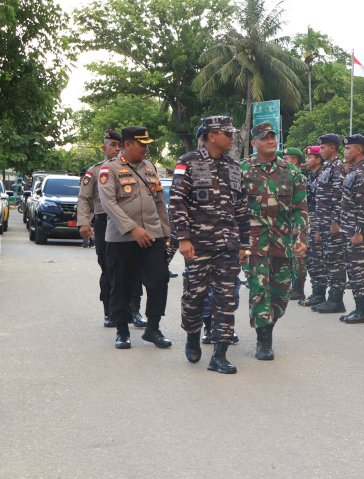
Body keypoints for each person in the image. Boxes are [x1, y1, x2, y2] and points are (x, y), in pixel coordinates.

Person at [170, 115, 249, 374]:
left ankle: (219, 354)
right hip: (198, 245)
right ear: (212, 135)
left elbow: (241, 208)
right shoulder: (187, 163)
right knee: (195, 296)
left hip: (228, 245)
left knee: (226, 299)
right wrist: (183, 238)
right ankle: (192, 334)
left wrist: (245, 244)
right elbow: (178, 202)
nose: (232, 137)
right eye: (227, 133)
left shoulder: (235, 167)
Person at [99, 126, 172, 350]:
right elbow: (108, 203)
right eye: (142, 144)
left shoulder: (149, 167)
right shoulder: (109, 169)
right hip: (122, 239)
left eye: (147, 144)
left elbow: (159, 200)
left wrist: (166, 233)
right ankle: (122, 330)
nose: (146, 149)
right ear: (128, 144)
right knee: (122, 284)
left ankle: (153, 327)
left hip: (152, 235)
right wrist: (132, 229)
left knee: (159, 280)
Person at [242, 123, 308, 360]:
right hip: (253, 244)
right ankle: (264, 340)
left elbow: (300, 209)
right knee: (260, 290)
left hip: (282, 243)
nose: (270, 140)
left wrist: (301, 238)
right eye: (265, 137)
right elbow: (234, 211)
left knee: (281, 294)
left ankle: (269, 323)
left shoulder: (291, 173)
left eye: (273, 136)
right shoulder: (243, 171)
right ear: (254, 143)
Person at [76, 130, 122, 327]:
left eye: (119, 145)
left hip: (128, 222)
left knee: (130, 268)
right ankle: (109, 310)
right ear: (104, 148)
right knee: (108, 267)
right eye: (112, 145)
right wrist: (84, 222)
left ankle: (132, 310)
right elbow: (84, 198)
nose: (116, 149)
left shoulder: (133, 168)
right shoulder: (94, 171)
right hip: (104, 221)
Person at [337, 134, 364, 324]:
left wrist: (359, 231)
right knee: (353, 269)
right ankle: (359, 308)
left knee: (361, 270)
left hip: (357, 230)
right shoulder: (354, 171)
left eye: (348, 148)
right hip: (349, 228)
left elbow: (363, 205)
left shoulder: (363, 173)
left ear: (358, 150)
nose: (345, 152)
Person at [312, 134, 347, 313]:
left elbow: (339, 197)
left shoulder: (338, 168)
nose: (321, 151)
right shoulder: (327, 168)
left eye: (324, 148)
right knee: (328, 259)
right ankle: (330, 297)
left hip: (332, 223)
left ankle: (336, 299)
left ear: (333, 148)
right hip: (323, 222)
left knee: (335, 261)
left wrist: (335, 221)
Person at [299, 146, 327, 306]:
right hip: (310, 219)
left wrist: (317, 227)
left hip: (317, 219)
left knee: (317, 258)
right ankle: (316, 291)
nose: (306, 160)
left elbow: (321, 203)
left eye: (309, 158)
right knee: (310, 257)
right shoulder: (312, 176)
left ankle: (319, 293)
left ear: (318, 159)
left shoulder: (322, 176)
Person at [283, 147, 309, 302]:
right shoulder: (287, 177)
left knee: (298, 257)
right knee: (290, 257)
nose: (284, 161)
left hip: (298, 224)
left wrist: (298, 227)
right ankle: (293, 286)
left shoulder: (300, 178)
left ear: (295, 161)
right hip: (288, 224)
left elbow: (301, 206)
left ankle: (299, 289)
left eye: (287, 159)